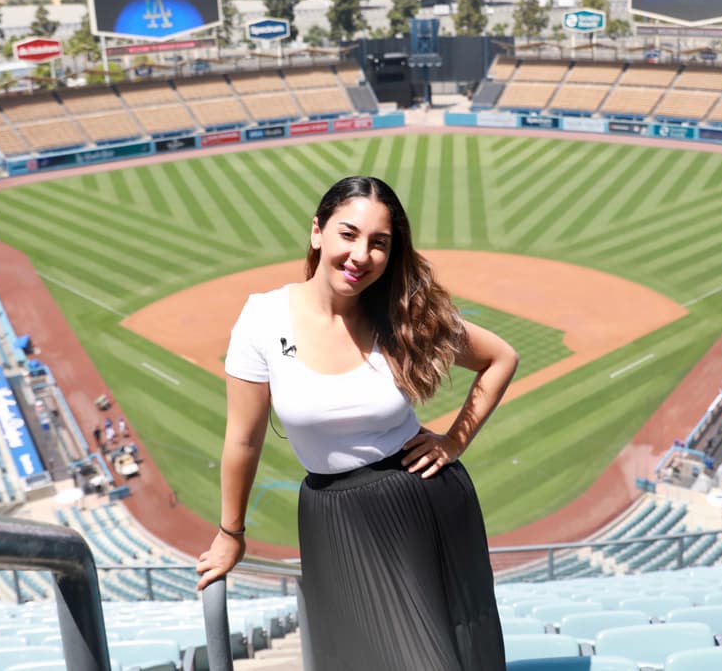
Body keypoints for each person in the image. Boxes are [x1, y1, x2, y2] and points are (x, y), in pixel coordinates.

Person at [196, 175, 518, 670]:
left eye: (379, 244)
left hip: (421, 501)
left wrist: (454, 441)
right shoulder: (261, 319)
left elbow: (500, 358)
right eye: (349, 234)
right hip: (331, 518)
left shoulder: (403, 314)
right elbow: (242, 439)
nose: (361, 255)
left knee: (449, 656)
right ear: (317, 232)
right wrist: (230, 532)